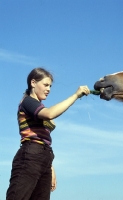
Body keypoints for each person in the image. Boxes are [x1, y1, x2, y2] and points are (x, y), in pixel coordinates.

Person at [6, 67, 90, 200]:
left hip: (44, 157)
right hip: (30, 155)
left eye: (50, 86)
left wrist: (50, 166)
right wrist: (75, 96)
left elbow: (43, 139)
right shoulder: (28, 102)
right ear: (33, 83)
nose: (49, 89)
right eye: (45, 85)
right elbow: (50, 114)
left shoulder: (38, 106)